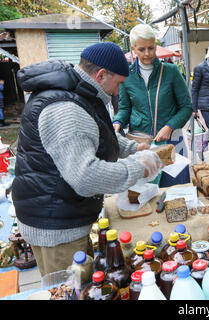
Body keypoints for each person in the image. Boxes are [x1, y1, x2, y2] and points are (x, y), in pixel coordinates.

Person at [12, 42, 164, 276]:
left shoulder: (79, 92)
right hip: (56, 228)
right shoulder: (65, 109)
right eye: (118, 84)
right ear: (101, 75)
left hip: (62, 215)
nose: (117, 92)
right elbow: (86, 177)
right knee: (70, 289)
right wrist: (137, 167)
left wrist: (132, 148)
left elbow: (94, 132)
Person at [113, 24, 193, 187]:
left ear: (156, 45)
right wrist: (117, 122)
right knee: (146, 192)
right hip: (142, 143)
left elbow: (186, 106)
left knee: (175, 190)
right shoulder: (127, 77)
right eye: (142, 49)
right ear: (134, 49)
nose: (147, 53)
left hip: (172, 141)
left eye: (151, 48)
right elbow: (125, 108)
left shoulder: (171, 72)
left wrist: (170, 126)